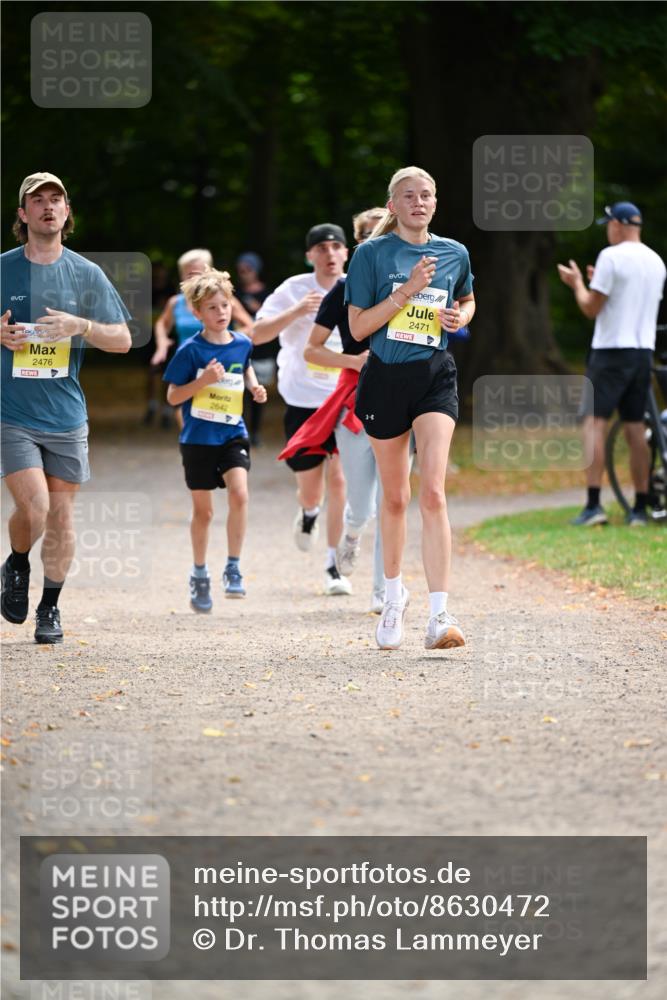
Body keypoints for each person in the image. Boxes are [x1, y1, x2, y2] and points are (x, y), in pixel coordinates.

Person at [346, 166, 475, 650]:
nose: (418, 202)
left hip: (434, 376)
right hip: (384, 378)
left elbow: (467, 298)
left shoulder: (453, 252)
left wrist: (460, 315)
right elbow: (359, 329)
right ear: (393, 205)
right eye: (408, 196)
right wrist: (406, 292)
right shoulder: (370, 255)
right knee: (396, 497)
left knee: (434, 493)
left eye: (426, 195)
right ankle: (395, 597)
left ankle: (440, 614)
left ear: (435, 203)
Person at [1, 171, 132, 643]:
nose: (48, 207)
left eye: (57, 199)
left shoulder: (85, 272)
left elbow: (122, 340)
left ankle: (49, 609)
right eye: (38, 201)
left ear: (67, 212)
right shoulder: (3, 269)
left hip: (66, 416)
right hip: (11, 413)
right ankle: (17, 564)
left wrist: (81, 325)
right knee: (34, 507)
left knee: (60, 515)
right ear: (23, 214)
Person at [281, 207, 388, 614]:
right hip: (331, 399)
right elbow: (305, 347)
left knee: (383, 493)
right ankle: (316, 516)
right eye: (368, 235)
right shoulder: (333, 291)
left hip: (398, 396)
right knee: (317, 489)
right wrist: (356, 362)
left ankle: (354, 577)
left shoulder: (413, 282)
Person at [253, 224, 352, 597]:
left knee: (340, 479)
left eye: (336, 247)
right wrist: (296, 311)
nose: (329, 254)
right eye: (321, 248)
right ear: (310, 255)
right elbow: (257, 334)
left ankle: (334, 565)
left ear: (346, 253)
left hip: (343, 398)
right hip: (302, 401)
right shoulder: (294, 288)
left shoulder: (356, 286)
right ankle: (309, 513)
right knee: (311, 491)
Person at [163, 268, 266, 612]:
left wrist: (253, 386)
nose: (221, 312)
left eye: (224, 305)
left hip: (232, 433)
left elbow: (245, 365)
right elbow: (174, 397)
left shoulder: (241, 342)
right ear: (197, 313)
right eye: (212, 308)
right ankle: (199, 573)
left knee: (240, 493)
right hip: (197, 439)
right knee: (204, 513)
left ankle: (233, 567)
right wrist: (204, 380)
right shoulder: (190, 351)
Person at [558, 201, 666, 527]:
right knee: (636, 428)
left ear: (619, 224)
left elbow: (592, 308)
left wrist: (578, 284)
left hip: (609, 352)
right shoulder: (656, 262)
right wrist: (597, 282)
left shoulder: (611, 256)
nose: (607, 229)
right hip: (641, 352)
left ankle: (594, 505)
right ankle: (639, 509)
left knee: (594, 423)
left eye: (608, 223)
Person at [151, 249, 254, 429]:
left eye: (198, 272)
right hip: (188, 365)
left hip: (219, 367)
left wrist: (234, 341)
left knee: (219, 418)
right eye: (188, 273)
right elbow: (161, 324)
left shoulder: (223, 300)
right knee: (188, 422)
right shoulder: (176, 302)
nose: (193, 277)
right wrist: (162, 344)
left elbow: (249, 325)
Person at [236, 252, 275, 446]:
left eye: (248, 269)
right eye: (241, 270)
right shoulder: (234, 295)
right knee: (240, 393)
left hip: (263, 351)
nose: (244, 273)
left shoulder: (267, 294)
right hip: (241, 350)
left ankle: (256, 432)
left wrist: (257, 307)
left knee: (258, 392)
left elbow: (274, 319)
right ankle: (241, 431)